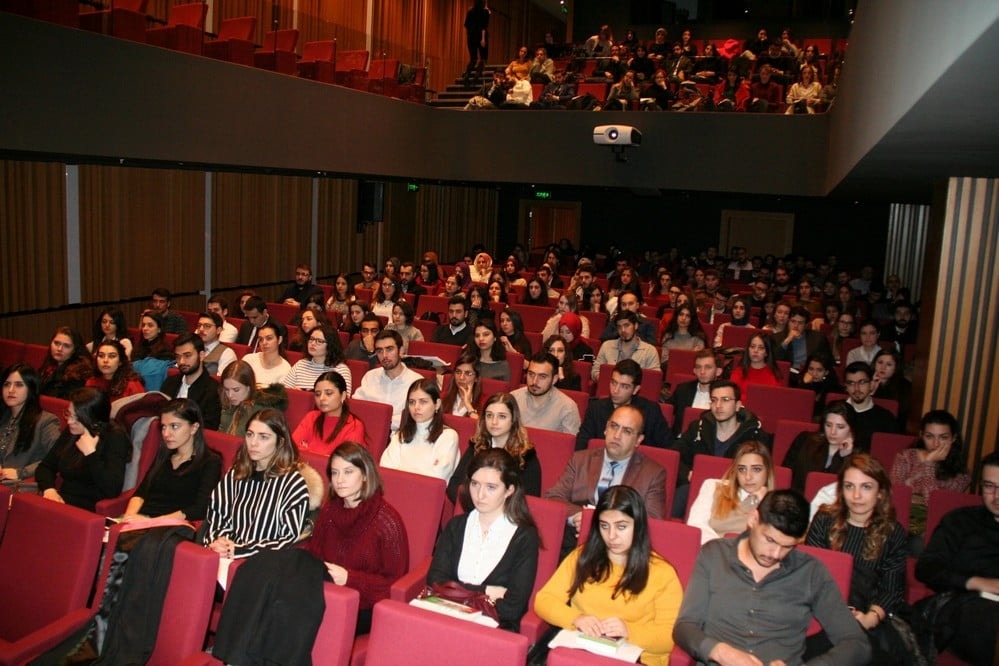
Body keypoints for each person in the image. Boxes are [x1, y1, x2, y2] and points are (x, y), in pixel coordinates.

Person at [673, 490, 870, 665]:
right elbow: (684, 627)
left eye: (787, 546)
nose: (775, 554)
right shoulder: (715, 555)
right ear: (753, 519)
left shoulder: (811, 572)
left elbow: (856, 644)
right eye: (769, 540)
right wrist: (721, 652)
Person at [535, 486, 683, 666]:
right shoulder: (583, 557)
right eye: (604, 526)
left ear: (638, 525)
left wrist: (629, 631)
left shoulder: (662, 572)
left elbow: (670, 637)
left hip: (636, 657)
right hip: (582, 651)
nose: (612, 536)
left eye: (621, 527)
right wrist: (576, 618)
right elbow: (544, 600)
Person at [805, 454, 913, 664]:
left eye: (866, 487)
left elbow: (891, 589)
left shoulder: (893, 532)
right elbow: (809, 572)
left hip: (868, 615)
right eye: (849, 486)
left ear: (880, 493)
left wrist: (870, 618)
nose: (856, 495)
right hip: (822, 610)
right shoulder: (824, 520)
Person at [428, 448, 539, 632]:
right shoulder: (456, 526)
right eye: (475, 484)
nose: (480, 495)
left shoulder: (524, 536)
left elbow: (513, 608)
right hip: (446, 615)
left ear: (509, 490)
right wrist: (487, 592)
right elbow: (435, 582)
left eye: (491, 487)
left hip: (494, 628)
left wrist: (456, 591)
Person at [305, 442, 409, 635]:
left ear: (364, 475)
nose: (340, 480)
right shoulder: (329, 511)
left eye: (348, 472)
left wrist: (349, 578)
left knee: (305, 620)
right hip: (326, 595)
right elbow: (315, 555)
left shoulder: (387, 521)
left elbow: (394, 586)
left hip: (365, 605)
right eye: (335, 473)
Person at [914, 450, 999, 666]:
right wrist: (979, 582)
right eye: (989, 487)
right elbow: (926, 568)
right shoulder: (960, 521)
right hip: (964, 605)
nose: (996, 496)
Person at [546, 405, 667, 555]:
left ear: (638, 440)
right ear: (605, 429)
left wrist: (603, 524)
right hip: (574, 540)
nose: (617, 435)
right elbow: (553, 497)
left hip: (619, 546)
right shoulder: (580, 460)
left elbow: (652, 521)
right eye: (614, 426)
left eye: (627, 431)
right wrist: (580, 516)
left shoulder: (653, 473)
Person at [204, 408, 321, 561]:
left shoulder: (293, 483)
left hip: (262, 563)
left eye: (263, 437)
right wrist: (218, 543)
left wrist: (240, 550)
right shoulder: (237, 473)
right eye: (250, 434)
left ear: (280, 441)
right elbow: (218, 515)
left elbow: (287, 539)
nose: (253, 443)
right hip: (224, 555)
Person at [119, 399, 223, 522]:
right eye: (163, 427)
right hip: (142, 521)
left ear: (194, 428)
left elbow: (200, 509)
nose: (166, 434)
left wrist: (152, 522)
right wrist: (129, 517)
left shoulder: (210, 462)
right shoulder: (165, 455)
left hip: (170, 527)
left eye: (174, 426)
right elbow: (141, 493)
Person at [35, 387, 131, 511]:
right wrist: (49, 490)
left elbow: (112, 489)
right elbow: (45, 467)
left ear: (93, 418)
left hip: (89, 509)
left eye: (77, 418)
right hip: (61, 501)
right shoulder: (73, 431)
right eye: (69, 414)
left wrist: (91, 453)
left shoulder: (114, 436)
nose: (69, 421)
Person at [447, 392, 541, 507]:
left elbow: (530, 500)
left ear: (513, 420)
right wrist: (477, 503)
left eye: (502, 416)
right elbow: (454, 485)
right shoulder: (477, 446)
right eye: (489, 415)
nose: (494, 422)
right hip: (472, 509)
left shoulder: (526, 455)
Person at [889, 410, 970, 539]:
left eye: (943, 437)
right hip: (899, 521)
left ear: (953, 438)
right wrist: (927, 463)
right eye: (930, 436)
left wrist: (929, 464)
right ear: (921, 435)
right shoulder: (905, 457)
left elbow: (931, 505)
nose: (936, 444)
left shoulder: (961, 474)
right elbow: (897, 495)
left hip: (933, 530)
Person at [687, 441, 774, 544]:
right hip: (710, 552)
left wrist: (764, 504)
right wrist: (723, 548)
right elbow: (696, 526)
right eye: (742, 469)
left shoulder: (775, 504)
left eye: (756, 469)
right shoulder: (713, 487)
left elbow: (769, 542)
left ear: (768, 471)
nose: (748, 477)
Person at [577, 359, 671, 451]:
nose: (615, 390)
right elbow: (582, 445)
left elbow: (667, 450)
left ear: (636, 389)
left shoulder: (651, 411)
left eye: (624, 386)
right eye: (614, 383)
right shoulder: (595, 408)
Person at [380, 378, 459, 481]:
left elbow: (437, 477)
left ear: (437, 404)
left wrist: (400, 471)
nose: (416, 407)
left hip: (427, 494)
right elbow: (385, 470)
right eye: (412, 402)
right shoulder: (400, 435)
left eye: (423, 402)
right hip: (396, 490)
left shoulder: (448, 436)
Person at [0, 364, 61, 486]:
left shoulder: (46, 421)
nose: (11, 390)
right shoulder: (3, 415)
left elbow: (56, 458)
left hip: (18, 485)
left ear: (31, 388)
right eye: (7, 384)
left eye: (19, 385)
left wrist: (20, 472)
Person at [352, 330, 423, 432]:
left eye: (389, 349)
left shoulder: (416, 382)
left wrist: (379, 420)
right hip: (369, 433)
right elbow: (357, 408)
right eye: (380, 351)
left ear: (401, 351)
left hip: (401, 436)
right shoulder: (370, 377)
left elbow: (414, 417)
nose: (384, 355)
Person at [783, 400, 858, 492]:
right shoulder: (805, 440)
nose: (833, 432)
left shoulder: (856, 457)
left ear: (851, 430)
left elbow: (837, 488)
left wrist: (843, 456)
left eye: (840, 427)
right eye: (828, 425)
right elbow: (785, 475)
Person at [291, 371, 365, 455]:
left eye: (328, 393)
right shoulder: (311, 417)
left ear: (343, 395)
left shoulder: (354, 426)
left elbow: (344, 462)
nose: (322, 398)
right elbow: (292, 449)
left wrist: (307, 450)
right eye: (318, 394)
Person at [160, 333, 223, 430]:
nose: (181, 362)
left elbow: (209, 429)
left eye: (187, 356)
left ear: (201, 355)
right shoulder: (170, 383)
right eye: (177, 357)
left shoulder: (213, 390)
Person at [511, 353, 581, 435]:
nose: (534, 381)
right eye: (531, 374)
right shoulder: (513, 398)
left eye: (542, 377)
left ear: (554, 379)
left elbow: (570, 444)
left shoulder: (568, 408)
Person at [218, 360, 287, 437]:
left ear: (249, 387)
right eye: (227, 390)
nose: (230, 395)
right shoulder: (228, 405)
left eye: (236, 390)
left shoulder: (260, 411)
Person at [843, 361, 900, 451]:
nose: (856, 388)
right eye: (851, 383)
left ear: (871, 384)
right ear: (845, 386)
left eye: (862, 382)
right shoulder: (835, 412)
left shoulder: (886, 419)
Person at [667, 349, 721, 436]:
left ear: (718, 371)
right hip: (681, 440)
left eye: (708, 367)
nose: (702, 372)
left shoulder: (725, 394)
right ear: (694, 371)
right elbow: (666, 412)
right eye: (698, 367)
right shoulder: (683, 390)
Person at [593, 311, 661, 381]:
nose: (623, 330)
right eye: (619, 327)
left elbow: (654, 379)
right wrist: (607, 380)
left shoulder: (650, 351)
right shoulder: (606, 346)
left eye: (626, 325)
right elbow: (595, 371)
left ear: (636, 326)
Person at [283, 324, 351, 393]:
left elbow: (344, 399)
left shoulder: (341, 369)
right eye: (311, 339)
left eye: (319, 341)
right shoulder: (301, 364)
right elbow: (283, 391)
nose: (312, 343)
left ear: (330, 345)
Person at [38, 326, 93, 398]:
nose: (59, 349)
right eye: (56, 343)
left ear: (75, 350)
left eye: (66, 346)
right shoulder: (50, 363)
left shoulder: (77, 374)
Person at [773, 306, 832, 372]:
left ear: (806, 325)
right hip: (787, 374)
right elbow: (773, 360)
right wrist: (787, 340)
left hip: (810, 374)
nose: (796, 326)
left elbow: (829, 361)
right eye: (793, 321)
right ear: (788, 321)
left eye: (800, 323)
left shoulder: (818, 337)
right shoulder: (776, 337)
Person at [131, 311, 175, 391]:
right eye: (143, 325)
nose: (145, 328)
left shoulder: (165, 351)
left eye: (150, 325)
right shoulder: (138, 347)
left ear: (159, 329)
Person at [242, 321, 292, 387]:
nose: (264, 343)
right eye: (261, 339)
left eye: (269, 338)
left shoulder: (285, 368)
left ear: (279, 340)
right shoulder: (248, 359)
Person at [871, 348, 911, 427]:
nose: (883, 367)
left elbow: (901, 414)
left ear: (896, 368)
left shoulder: (905, 386)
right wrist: (871, 391)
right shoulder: (865, 381)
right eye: (880, 362)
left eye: (889, 364)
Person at [793, 352, 841, 416]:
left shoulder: (833, 388)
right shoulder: (803, 383)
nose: (814, 374)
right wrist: (805, 385)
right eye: (811, 369)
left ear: (826, 372)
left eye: (819, 370)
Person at [440, 351, 483, 418]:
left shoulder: (484, 402)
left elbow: (482, 427)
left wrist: (468, 405)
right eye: (458, 372)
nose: (461, 377)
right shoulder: (443, 397)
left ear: (476, 378)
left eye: (468, 373)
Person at [195, 311, 237, 377]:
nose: (201, 329)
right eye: (199, 325)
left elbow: (221, 381)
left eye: (207, 326)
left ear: (219, 330)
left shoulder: (227, 353)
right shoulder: (192, 347)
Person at [462, 0, 489, 87]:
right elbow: (484, 27)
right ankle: (475, 79)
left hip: (471, 37)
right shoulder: (485, 12)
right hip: (481, 37)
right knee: (483, 58)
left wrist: (470, 34)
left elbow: (466, 24)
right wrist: (483, 39)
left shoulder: (470, 11)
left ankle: (467, 77)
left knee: (473, 59)